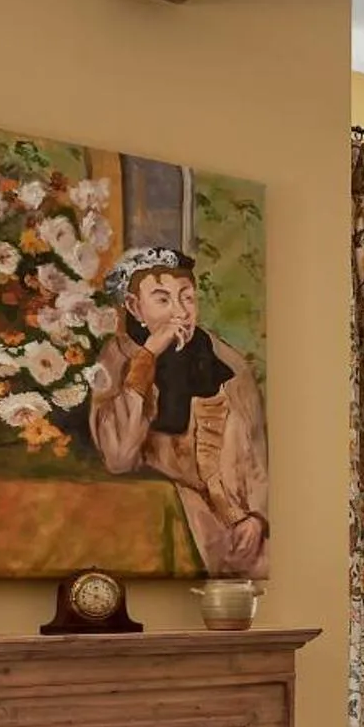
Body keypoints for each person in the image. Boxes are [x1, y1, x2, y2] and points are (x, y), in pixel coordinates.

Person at [89, 246, 270, 578]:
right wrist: (148, 358)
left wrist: (257, 516)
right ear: (134, 306)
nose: (180, 312)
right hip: (178, 509)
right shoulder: (117, 360)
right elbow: (118, 457)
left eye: (187, 298)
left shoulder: (228, 363)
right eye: (162, 300)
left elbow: (257, 449)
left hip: (240, 516)